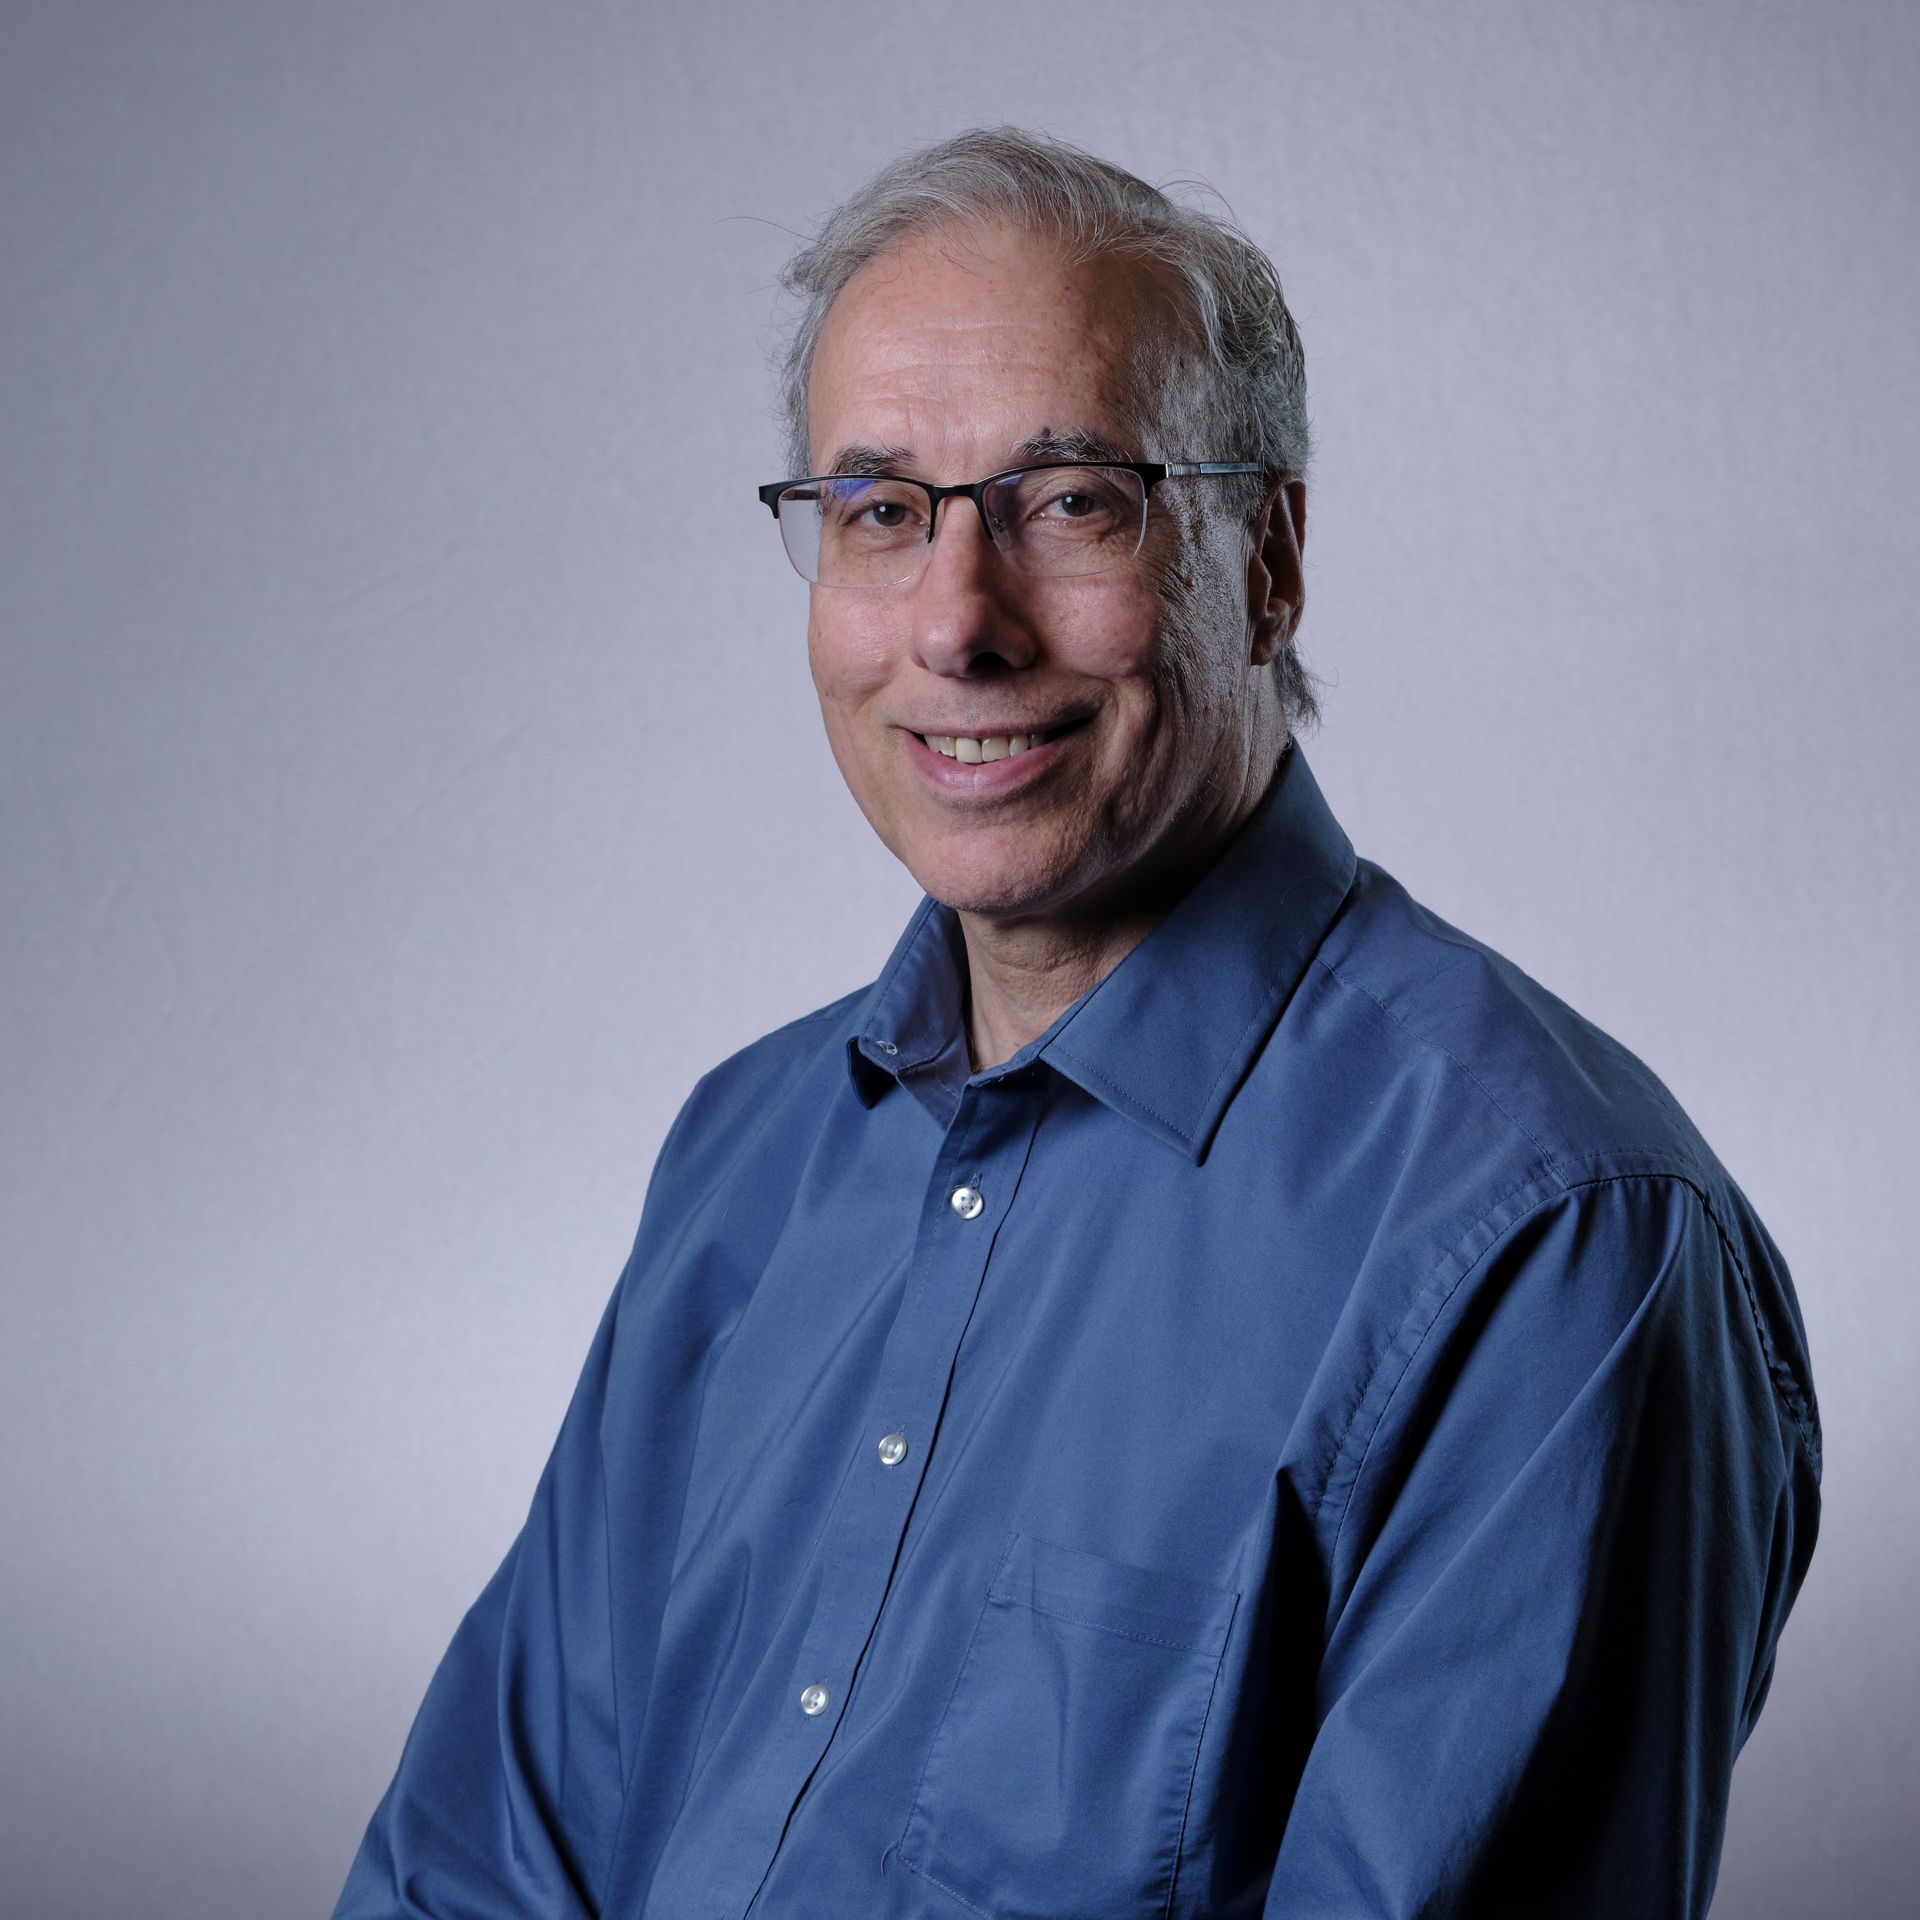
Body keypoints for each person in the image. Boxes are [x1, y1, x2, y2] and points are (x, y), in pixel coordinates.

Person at [332, 126, 1821, 1919]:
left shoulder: (1561, 1241)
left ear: (1262, 560)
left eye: (1070, 501)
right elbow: (478, 1865)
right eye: (882, 510)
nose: (958, 624)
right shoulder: (748, 1153)